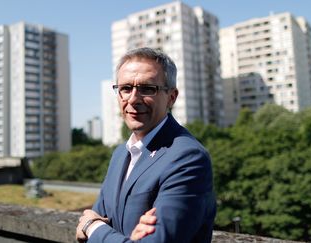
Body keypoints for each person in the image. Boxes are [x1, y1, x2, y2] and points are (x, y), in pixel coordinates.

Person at [76, 47, 216, 242]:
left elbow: (91, 225)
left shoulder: (188, 157)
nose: (133, 99)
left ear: (171, 97)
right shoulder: (120, 154)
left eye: (147, 89)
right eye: (125, 88)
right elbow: (96, 218)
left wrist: (94, 228)